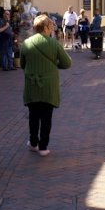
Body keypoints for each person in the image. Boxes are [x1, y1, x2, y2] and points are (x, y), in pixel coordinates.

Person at [20, 14, 72, 157]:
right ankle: (43, 147)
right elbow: (67, 63)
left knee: (33, 116)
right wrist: (54, 65)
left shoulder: (26, 43)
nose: (53, 28)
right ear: (46, 27)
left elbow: (23, 64)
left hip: (32, 84)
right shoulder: (53, 43)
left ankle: (33, 142)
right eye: (51, 26)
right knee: (46, 117)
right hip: (49, 86)